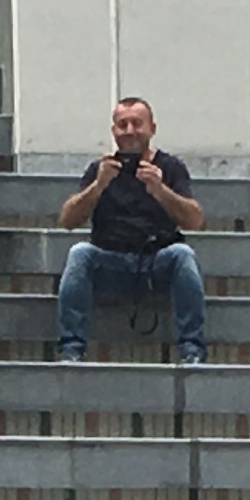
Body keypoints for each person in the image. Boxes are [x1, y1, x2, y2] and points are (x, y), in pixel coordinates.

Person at [51, 96, 205, 366]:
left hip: (157, 261)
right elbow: (68, 220)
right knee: (79, 253)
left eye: (137, 123)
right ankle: (71, 350)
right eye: (123, 125)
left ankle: (192, 350)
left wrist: (160, 190)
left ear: (152, 128)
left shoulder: (170, 167)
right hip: (109, 260)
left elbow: (194, 220)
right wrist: (99, 185)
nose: (130, 131)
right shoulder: (100, 169)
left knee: (183, 255)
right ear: (114, 131)